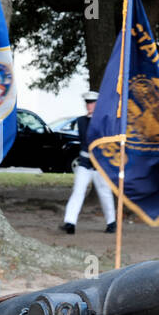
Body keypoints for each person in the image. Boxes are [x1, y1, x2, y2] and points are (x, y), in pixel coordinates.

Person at [61, 90, 116, 235]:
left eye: (92, 103)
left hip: (100, 164)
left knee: (105, 193)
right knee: (78, 191)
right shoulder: (81, 120)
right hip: (85, 162)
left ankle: (111, 222)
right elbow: (86, 140)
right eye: (88, 103)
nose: (89, 105)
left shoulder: (105, 121)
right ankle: (70, 222)